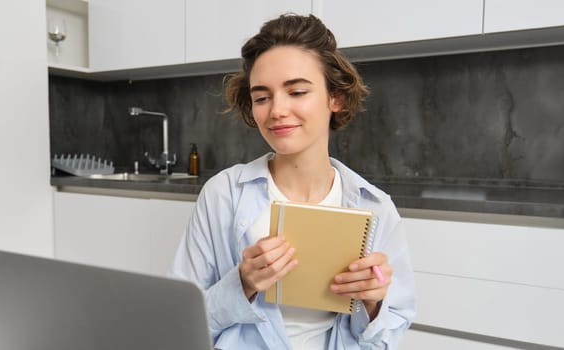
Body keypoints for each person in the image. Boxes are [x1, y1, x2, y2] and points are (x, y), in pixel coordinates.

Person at [169, 14, 416, 349]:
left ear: (336, 98)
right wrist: (242, 283)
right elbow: (180, 324)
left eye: (297, 91)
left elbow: (388, 336)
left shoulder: (375, 207)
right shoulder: (223, 194)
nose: (277, 110)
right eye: (261, 97)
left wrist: (373, 305)